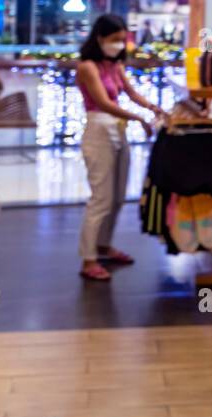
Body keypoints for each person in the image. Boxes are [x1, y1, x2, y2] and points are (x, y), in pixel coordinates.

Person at [77, 15, 166, 282]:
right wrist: (138, 118)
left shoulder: (114, 65)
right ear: (100, 38)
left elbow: (131, 92)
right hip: (98, 131)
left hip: (117, 130)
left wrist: (152, 107)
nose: (119, 44)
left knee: (116, 197)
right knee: (100, 198)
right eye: (115, 39)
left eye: (122, 39)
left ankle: (103, 246)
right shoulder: (87, 67)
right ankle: (88, 258)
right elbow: (103, 102)